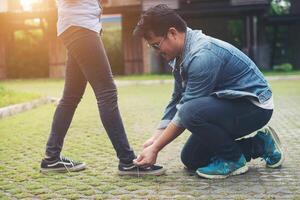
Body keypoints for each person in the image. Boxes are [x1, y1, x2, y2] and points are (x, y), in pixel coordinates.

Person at [133, 4, 284, 179]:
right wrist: (154, 139)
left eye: (156, 45)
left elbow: (185, 112)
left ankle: (233, 160)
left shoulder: (202, 55)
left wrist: (157, 148)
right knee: (192, 158)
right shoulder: (179, 56)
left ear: (172, 33)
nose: (157, 52)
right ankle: (260, 144)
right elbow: (177, 99)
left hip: (254, 107)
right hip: (229, 103)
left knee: (190, 112)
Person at [40, 0, 166, 176]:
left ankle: (51, 158)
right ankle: (127, 160)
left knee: (71, 97)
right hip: (80, 26)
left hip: (77, 25)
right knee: (106, 92)